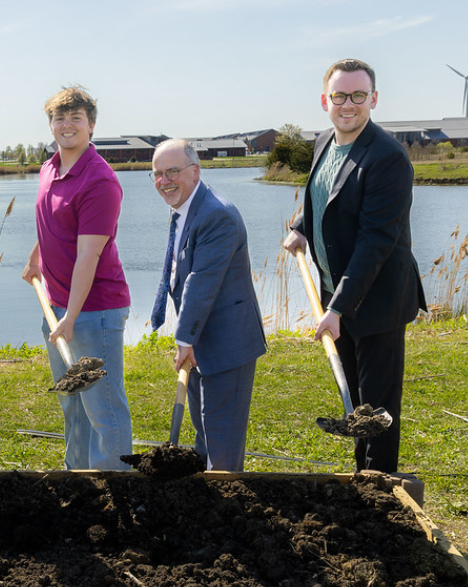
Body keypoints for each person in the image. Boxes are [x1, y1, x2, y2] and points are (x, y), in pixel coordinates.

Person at [283, 58, 427, 474]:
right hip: (336, 293)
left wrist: (338, 309)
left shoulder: (389, 159)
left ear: (374, 99)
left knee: (377, 404)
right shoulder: (324, 141)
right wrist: (300, 227)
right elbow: (323, 195)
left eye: (358, 96)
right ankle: (360, 477)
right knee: (355, 397)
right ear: (325, 100)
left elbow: (375, 241)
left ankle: (378, 486)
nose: (349, 104)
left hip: (378, 298)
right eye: (340, 95)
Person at [22, 86, 133, 470]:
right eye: (59, 118)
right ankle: (81, 480)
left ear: (91, 126)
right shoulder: (50, 167)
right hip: (56, 306)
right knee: (72, 401)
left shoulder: (99, 180)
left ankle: (117, 486)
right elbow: (51, 221)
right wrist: (37, 257)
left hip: (93, 310)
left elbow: (89, 254)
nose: (67, 125)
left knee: (103, 406)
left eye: (76, 118)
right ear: (50, 125)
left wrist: (71, 316)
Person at [150, 139, 266, 472]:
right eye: (157, 174)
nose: (164, 181)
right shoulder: (187, 209)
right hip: (203, 341)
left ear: (195, 171)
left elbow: (200, 282)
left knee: (223, 445)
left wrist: (184, 339)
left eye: (173, 171)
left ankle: (229, 507)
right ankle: (211, 504)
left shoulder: (217, 215)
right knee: (206, 434)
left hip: (227, 344)